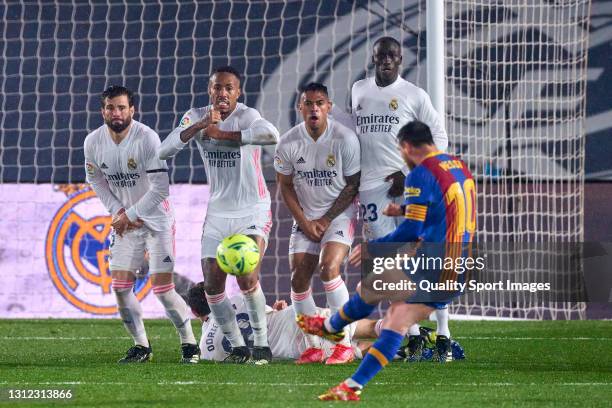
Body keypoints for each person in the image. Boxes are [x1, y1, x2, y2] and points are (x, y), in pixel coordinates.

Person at [298, 121, 476, 401]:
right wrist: (405, 208)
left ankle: (333, 331)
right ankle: (349, 378)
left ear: (406, 147)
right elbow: (442, 204)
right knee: (388, 306)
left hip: (438, 263)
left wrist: (374, 248)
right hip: (462, 263)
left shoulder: (420, 173)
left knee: (380, 296)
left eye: (399, 149)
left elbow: (411, 230)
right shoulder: (456, 164)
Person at [158, 66, 279, 364]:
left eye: (229, 88)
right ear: (209, 90)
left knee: (247, 276)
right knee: (212, 285)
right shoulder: (196, 115)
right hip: (218, 213)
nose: (222, 93)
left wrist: (222, 133)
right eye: (217, 88)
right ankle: (238, 346)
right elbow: (164, 150)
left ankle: (261, 345)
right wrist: (201, 126)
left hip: (253, 209)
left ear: (238, 92)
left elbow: (271, 134)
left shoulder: (248, 116)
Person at [84, 85, 199, 364]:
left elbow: (161, 189)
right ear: (103, 111)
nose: (116, 112)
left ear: (132, 110)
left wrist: (130, 214)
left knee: (162, 288)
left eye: (122, 107)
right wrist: (118, 211)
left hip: (157, 221)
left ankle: (189, 344)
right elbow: (95, 180)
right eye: (111, 107)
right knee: (121, 288)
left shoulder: (147, 138)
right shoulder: (93, 142)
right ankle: (141, 347)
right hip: (126, 223)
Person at [352, 36, 452, 355]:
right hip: (369, 190)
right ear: (373, 58)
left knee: (418, 258)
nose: (387, 60)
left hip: (405, 191)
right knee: (383, 265)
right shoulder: (358, 90)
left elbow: (440, 139)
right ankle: (410, 331)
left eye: (393, 56)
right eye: (381, 55)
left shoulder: (414, 95)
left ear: (401, 60)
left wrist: (410, 173)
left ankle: (436, 331)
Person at [274, 83, 360, 365]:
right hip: (306, 219)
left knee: (328, 268)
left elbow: (353, 185)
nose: (314, 108)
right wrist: (305, 221)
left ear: (329, 107)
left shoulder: (344, 139)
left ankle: (344, 344)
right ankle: (314, 345)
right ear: (300, 108)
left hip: (339, 216)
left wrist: (324, 219)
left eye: (319, 103)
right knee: (298, 278)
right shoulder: (288, 142)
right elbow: (284, 185)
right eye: (308, 103)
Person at [186, 282, 385, 362]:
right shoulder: (237, 300)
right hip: (294, 318)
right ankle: (405, 332)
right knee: (360, 328)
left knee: (360, 349)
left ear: (195, 312)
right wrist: (275, 309)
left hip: (289, 347)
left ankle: (397, 349)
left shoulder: (205, 348)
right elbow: (263, 314)